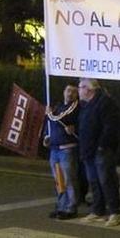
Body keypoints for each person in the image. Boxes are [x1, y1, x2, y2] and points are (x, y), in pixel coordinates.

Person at [77, 78, 120, 227]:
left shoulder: (104, 102)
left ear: (89, 89)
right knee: (95, 182)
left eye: (80, 87)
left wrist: (102, 146)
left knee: (107, 181)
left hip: (101, 150)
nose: (79, 90)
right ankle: (98, 210)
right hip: (89, 151)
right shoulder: (87, 105)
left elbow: (110, 126)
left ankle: (115, 212)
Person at [43, 83, 81, 220]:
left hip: (67, 149)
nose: (70, 94)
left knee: (69, 179)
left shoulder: (75, 106)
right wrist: (47, 137)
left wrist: (50, 114)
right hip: (55, 149)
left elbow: (61, 118)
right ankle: (61, 206)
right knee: (59, 181)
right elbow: (50, 125)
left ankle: (71, 207)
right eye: (68, 91)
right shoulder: (57, 107)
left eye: (73, 92)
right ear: (64, 91)